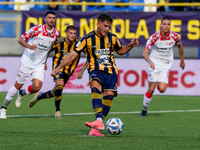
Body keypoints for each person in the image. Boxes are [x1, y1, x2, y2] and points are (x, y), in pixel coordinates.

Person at [51, 13, 139, 136]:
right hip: (95, 69)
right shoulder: (87, 39)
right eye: (105, 26)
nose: (107, 29)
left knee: (109, 95)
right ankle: (98, 120)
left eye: (109, 26)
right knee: (95, 86)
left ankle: (96, 127)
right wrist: (59, 67)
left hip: (111, 71)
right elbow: (73, 54)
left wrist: (130, 45)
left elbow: (120, 51)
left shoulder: (112, 38)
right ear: (98, 24)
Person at [0, 11, 60, 119]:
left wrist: (45, 60)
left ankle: (22, 93)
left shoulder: (56, 34)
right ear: (45, 19)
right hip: (27, 62)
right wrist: (29, 46)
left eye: (53, 18)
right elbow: (20, 40)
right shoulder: (36, 29)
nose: (51, 19)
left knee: (37, 87)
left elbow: (51, 46)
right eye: (49, 17)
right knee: (17, 85)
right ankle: (3, 108)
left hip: (39, 64)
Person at [28, 25, 88, 119]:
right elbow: (46, 50)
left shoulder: (79, 43)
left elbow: (91, 57)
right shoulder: (59, 42)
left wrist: (82, 70)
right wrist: (44, 62)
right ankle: (57, 110)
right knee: (60, 85)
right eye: (70, 33)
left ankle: (38, 97)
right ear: (66, 33)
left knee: (54, 92)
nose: (72, 35)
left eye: (74, 33)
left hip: (68, 72)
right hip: (57, 69)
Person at [140, 17, 185, 117]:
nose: (166, 26)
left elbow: (180, 46)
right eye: (164, 24)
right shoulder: (154, 37)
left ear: (170, 26)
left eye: (168, 24)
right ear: (160, 25)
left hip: (165, 65)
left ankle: (157, 81)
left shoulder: (174, 36)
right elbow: (144, 53)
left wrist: (182, 60)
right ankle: (144, 110)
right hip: (154, 64)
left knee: (162, 90)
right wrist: (150, 61)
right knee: (151, 89)